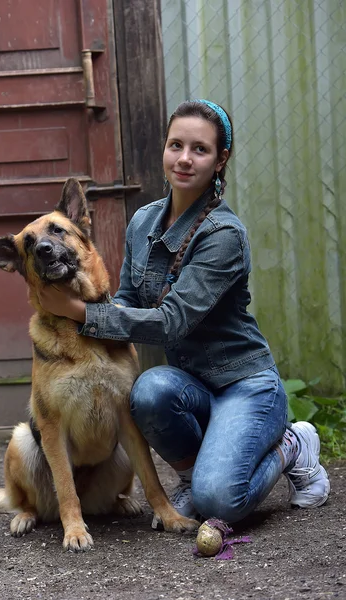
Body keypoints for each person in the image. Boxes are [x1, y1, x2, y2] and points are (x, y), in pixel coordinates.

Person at [38, 99, 330, 527]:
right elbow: (129, 302)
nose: (185, 159)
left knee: (222, 502)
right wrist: (66, 310)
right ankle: (199, 475)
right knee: (147, 392)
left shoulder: (223, 235)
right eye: (176, 145)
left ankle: (292, 445)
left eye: (200, 149)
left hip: (244, 387)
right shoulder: (143, 222)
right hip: (189, 386)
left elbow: (171, 321)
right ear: (165, 148)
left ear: (220, 160)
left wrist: (80, 312)